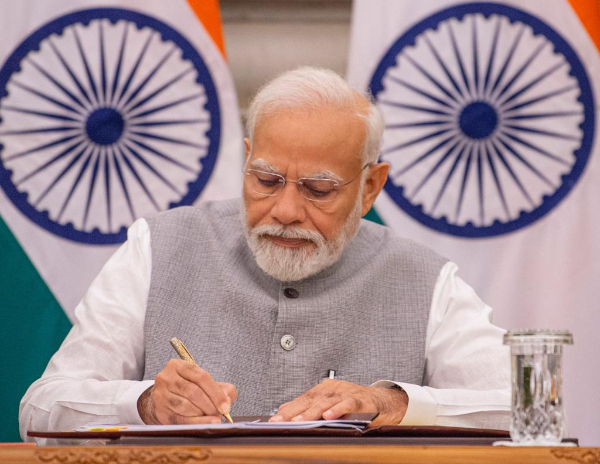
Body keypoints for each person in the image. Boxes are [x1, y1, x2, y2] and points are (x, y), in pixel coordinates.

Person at [20, 67, 510, 440]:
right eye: (267, 180)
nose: (287, 209)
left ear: (369, 188)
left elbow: (521, 409)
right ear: (248, 158)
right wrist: (144, 403)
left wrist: (394, 403)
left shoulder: (425, 278)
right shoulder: (158, 247)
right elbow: (41, 409)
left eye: (319, 189)